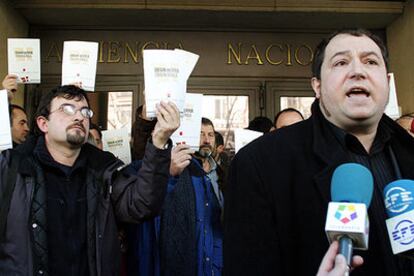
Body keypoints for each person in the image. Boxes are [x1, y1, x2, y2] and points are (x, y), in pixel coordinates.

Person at [224, 29, 414, 275]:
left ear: (387, 82)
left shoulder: (407, 153)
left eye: (370, 61)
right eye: (341, 62)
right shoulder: (260, 163)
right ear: (317, 85)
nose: (358, 71)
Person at [0, 85, 180, 276]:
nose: (79, 117)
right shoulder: (12, 168)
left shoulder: (104, 170)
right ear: (43, 123)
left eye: (85, 111)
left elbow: (142, 204)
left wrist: (159, 141)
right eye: (67, 109)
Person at [160, 117, 224, 276]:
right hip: (188, 262)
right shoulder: (178, 172)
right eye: (201, 134)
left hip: (216, 263)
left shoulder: (223, 174)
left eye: (210, 135)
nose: (206, 140)